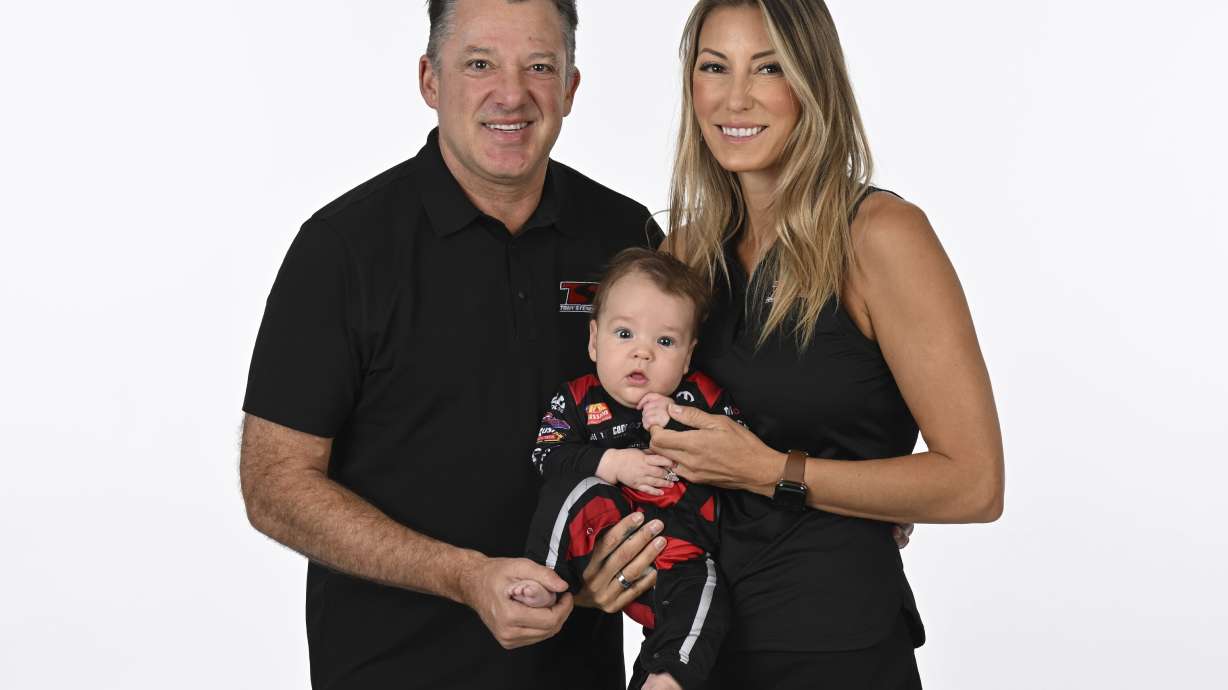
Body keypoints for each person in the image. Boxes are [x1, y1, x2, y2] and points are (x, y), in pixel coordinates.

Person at [238, 1, 668, 688]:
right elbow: (274, 486)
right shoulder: (343, 249)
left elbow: (688, 416)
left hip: (573, 673)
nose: (511, 93)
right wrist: (465, 576)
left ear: (571, 88)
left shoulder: (624, 236)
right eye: (478, 64)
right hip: (390, 668)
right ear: (429, 81)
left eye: (538, 66)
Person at [585, 1, 1005, 688]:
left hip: (831, 648)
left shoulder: (881, 238)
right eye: (714, 67)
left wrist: (775, 471)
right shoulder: (686, 252)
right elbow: (627, 427)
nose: (735, 97)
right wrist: (594, 562)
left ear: (814, 83)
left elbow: (976, 482)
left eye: (769, 68)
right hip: (687, 653)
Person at [515, 248, 739, 690]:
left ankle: (666, 674)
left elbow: (742, 451)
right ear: (594, 340)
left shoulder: (702, 399)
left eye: (665, 342)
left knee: (710, 593)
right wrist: (610, 462)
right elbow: (545, 454)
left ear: (689, 356)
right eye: (624, 334)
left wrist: (677, 427)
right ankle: (544, 575)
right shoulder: (578, 398)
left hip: (679, 552)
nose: (643, 354)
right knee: (574, 492)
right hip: (601, 536)